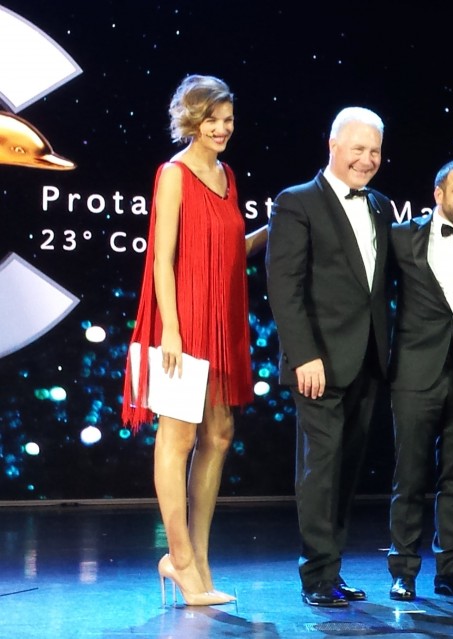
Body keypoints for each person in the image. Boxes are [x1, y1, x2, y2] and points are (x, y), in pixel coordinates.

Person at [122, 74, 267, 605]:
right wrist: (172, 331)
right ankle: (179, 559)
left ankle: (199, 560)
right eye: (212, 119)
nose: (222, 128)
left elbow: (227, 251)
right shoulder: (174, 174)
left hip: (222, 321)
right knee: (178, 437)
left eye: (228, 120)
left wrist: (274, 229)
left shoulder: (228, 176)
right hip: (182, 324)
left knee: (220, 434)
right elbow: (161, 259)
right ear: (191, 120)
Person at [265, 106, 392, 608]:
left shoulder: (381, 205)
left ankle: (332, 568)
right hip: (317, 362)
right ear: (333, 146)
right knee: (320, 470)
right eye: (358, 149)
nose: (367, 159)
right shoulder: (296, 202)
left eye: (375, 151)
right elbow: (284, 286)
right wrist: (304, 355)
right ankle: (316, 575)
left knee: (346, 470)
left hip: (368, 359)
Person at [386, 157, 453, 601]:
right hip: (415, 372)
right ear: (438, 194)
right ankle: (403, 571)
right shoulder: (401, 236)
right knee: (410, 478)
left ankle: (450, 571)